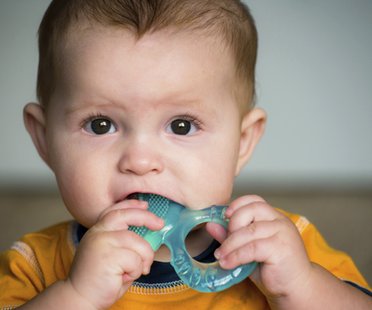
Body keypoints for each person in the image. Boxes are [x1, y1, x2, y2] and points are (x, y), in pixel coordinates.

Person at [0, 0, 371, 309]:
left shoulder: (281, 245)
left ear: (242, 142)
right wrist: (75, 296)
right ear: (44, 139)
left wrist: (301, 285)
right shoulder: (35, 265)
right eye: (100, 125)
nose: (141, 161)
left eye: (181, 126)